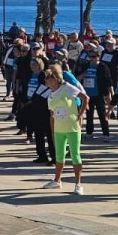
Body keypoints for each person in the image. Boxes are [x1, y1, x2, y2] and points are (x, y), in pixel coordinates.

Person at [43, 62, 86, 195]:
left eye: (49, 78)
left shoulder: (66, 87)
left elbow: (85, 98)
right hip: (59, 129)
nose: (46, 81)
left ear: (55, 79)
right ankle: (57, 180)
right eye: (46, 78)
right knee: (59, 155)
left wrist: (80, 114)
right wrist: (52, 130)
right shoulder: (49, 95)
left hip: (72, 127)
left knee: (75, 155)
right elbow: (52, 115)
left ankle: (78, 184)